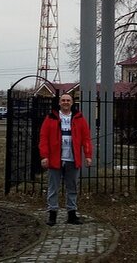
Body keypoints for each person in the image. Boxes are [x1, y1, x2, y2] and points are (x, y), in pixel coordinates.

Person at [38, 93, 93, 226]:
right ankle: (52, 214)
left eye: (68, 100)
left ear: (72, 102)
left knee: (72, 187)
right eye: (63, 100)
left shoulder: (79, 119)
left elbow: (86, 138)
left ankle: (72, 214)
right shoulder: (50, 118)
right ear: (59, 103)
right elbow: (43, 138)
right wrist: (44, 156)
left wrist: (88, 155)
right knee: (53, 188)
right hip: (55, 159)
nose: (65, 102)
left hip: (73, 160)